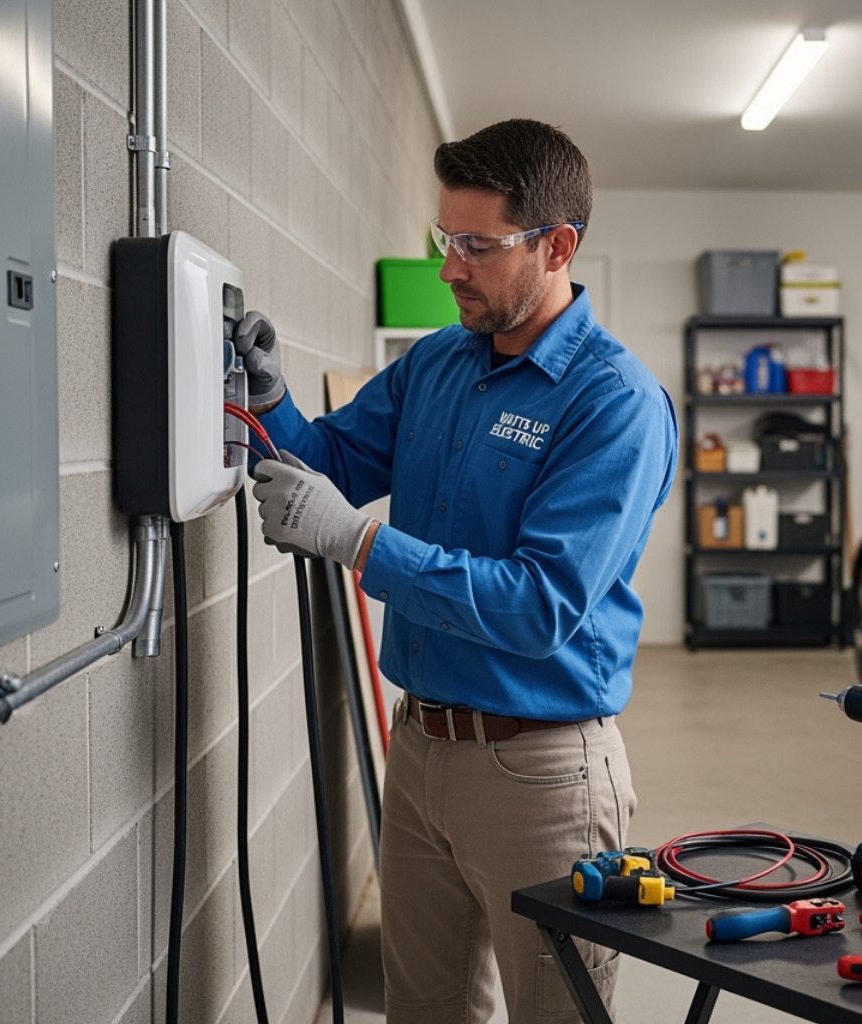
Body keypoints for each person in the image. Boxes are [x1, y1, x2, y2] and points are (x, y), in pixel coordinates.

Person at [239, 118, 677, 1023]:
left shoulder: (614, 403)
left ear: (558, 246)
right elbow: (327, 468)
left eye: (476, 246)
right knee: (423, 1011)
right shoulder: (437, 363)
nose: (450, 269)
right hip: (422, 751)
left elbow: (541, 605)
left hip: (542, 773)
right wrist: (270, 396)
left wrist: (361, 545)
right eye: (447, 241)